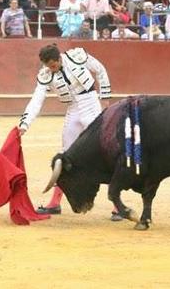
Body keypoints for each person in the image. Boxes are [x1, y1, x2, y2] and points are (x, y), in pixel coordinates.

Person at [18, 44, 111, 217]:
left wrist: (104, 97)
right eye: (48, 66)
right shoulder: (45, 75)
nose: (51, 69)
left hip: (91, 103)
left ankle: (116, 205)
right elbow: (36, 101)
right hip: (73, 109)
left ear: (59, 58)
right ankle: (55, 203)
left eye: (53, 65)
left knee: (103, 152)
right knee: (65, 156)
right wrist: (24, 125)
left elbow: (100, 70)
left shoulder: (76, 56)